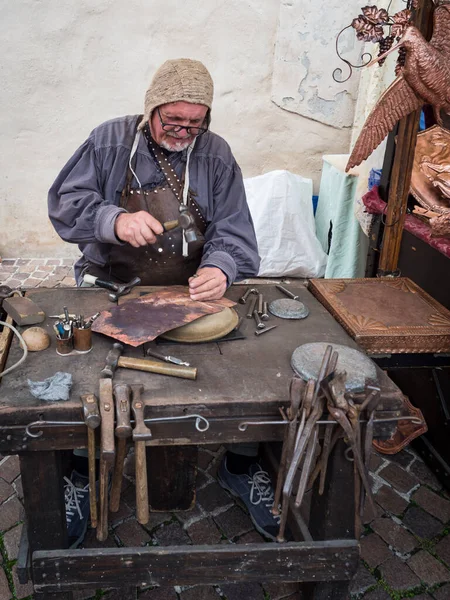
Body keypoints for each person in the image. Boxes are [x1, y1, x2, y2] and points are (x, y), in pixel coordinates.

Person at [48, 58, 280, 543]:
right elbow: (66, 202)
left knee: (246, 368)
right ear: (151, 109)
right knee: (87, 378)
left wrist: (221, 267)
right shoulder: (110, 141)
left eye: (194, 123)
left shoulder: (215, 155)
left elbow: (234, 229)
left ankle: (240, 465)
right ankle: (79, 471)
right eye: (172, 120)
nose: (183, 131)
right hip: (110, 279)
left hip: (187, 287)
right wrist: (113, 220)